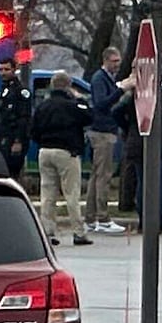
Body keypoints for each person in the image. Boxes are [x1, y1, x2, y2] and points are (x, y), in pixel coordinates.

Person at [31, 71, 94, 246]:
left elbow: (33, 131)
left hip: (45, 151)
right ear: (68, 87)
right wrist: (80, 99)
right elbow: (90, 116)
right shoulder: (72, 106)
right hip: (67, 152)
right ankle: (78, 232)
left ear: (52, 85)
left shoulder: (42, 107)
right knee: (71, 193)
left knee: (47, 194)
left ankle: (48, 232)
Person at [112, 87, 162, 234]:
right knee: (161, 184)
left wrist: (129, 127)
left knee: (143, 183)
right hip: (160, 144)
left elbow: (116, 111)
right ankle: (161, 219)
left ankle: (144, 220)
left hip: (137, 143)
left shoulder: (133, 99)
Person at [85, 47, 135, 235]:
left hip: (104, 130)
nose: (117, 64)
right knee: (103, 176)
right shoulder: (100, 78)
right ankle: (103, 218)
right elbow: (101, 104)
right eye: (114, 61)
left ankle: (90, 217)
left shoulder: (106, 78)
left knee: (96, 176)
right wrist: (121, 90)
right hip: (102, 131)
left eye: (118, 61)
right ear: (105, 60)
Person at [0, 58, 31, 178]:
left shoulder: (21, 91)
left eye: (6, 69)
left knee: (12, 172)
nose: (3, 73)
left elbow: (23, 118)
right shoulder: (4, 89)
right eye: (0, 70)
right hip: (4, 137)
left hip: (14, 139)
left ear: (14, 70)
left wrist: (18, 141)